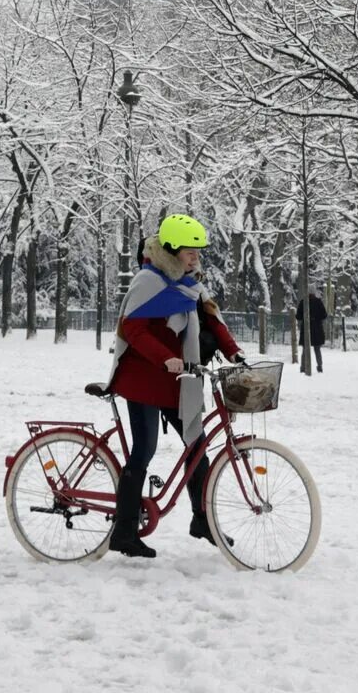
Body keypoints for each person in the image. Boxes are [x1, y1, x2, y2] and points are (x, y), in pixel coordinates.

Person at [107, 213, 246, 559]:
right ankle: (123, 532)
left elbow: (210, 318)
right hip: (142, 378)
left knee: (196, 445)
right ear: (171, 248)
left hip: (176, 379)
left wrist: (234, 352)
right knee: (144, 449)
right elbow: (133, 331)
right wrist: (164, 357)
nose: (196, 255)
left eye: (198, 250)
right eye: (190, 250)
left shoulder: (188, 282)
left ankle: (202, 520)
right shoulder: (148, 280)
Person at [303, 290, 328, 373]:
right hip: (317, 329)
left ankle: (303, 367)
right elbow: (324, 315)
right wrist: (317, 319)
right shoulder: (318, 302)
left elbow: (298, 316)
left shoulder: (304, 302)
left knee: (305, 349)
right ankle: (319, 366)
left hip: (306, 329)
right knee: (317, 349)